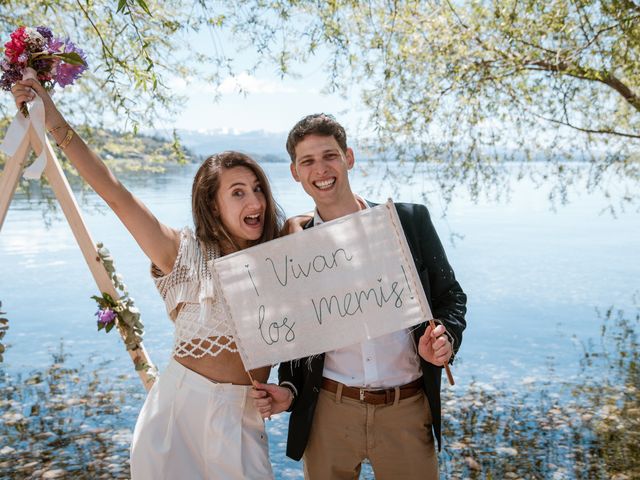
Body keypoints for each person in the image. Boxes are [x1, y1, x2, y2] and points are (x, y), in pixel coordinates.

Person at [11, 79, 289, 479]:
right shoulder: (180, 252)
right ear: (212, 203)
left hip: (244, 419)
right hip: (178, 415)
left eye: (258, 189)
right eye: (238, 192)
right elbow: (114, 192)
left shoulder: (279, 258)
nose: (256, 202)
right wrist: (52, 118)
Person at [251, 114, 467, 479]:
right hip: (328, 411)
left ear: (349, 157)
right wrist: (288, 388)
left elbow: (451, 297)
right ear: (295, 172)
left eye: (330, 156)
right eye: (308, 161)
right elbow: (295, 331)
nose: (321, 169)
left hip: (407, 407)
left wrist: (445, 338)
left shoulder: (408, 222)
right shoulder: (292, 245)